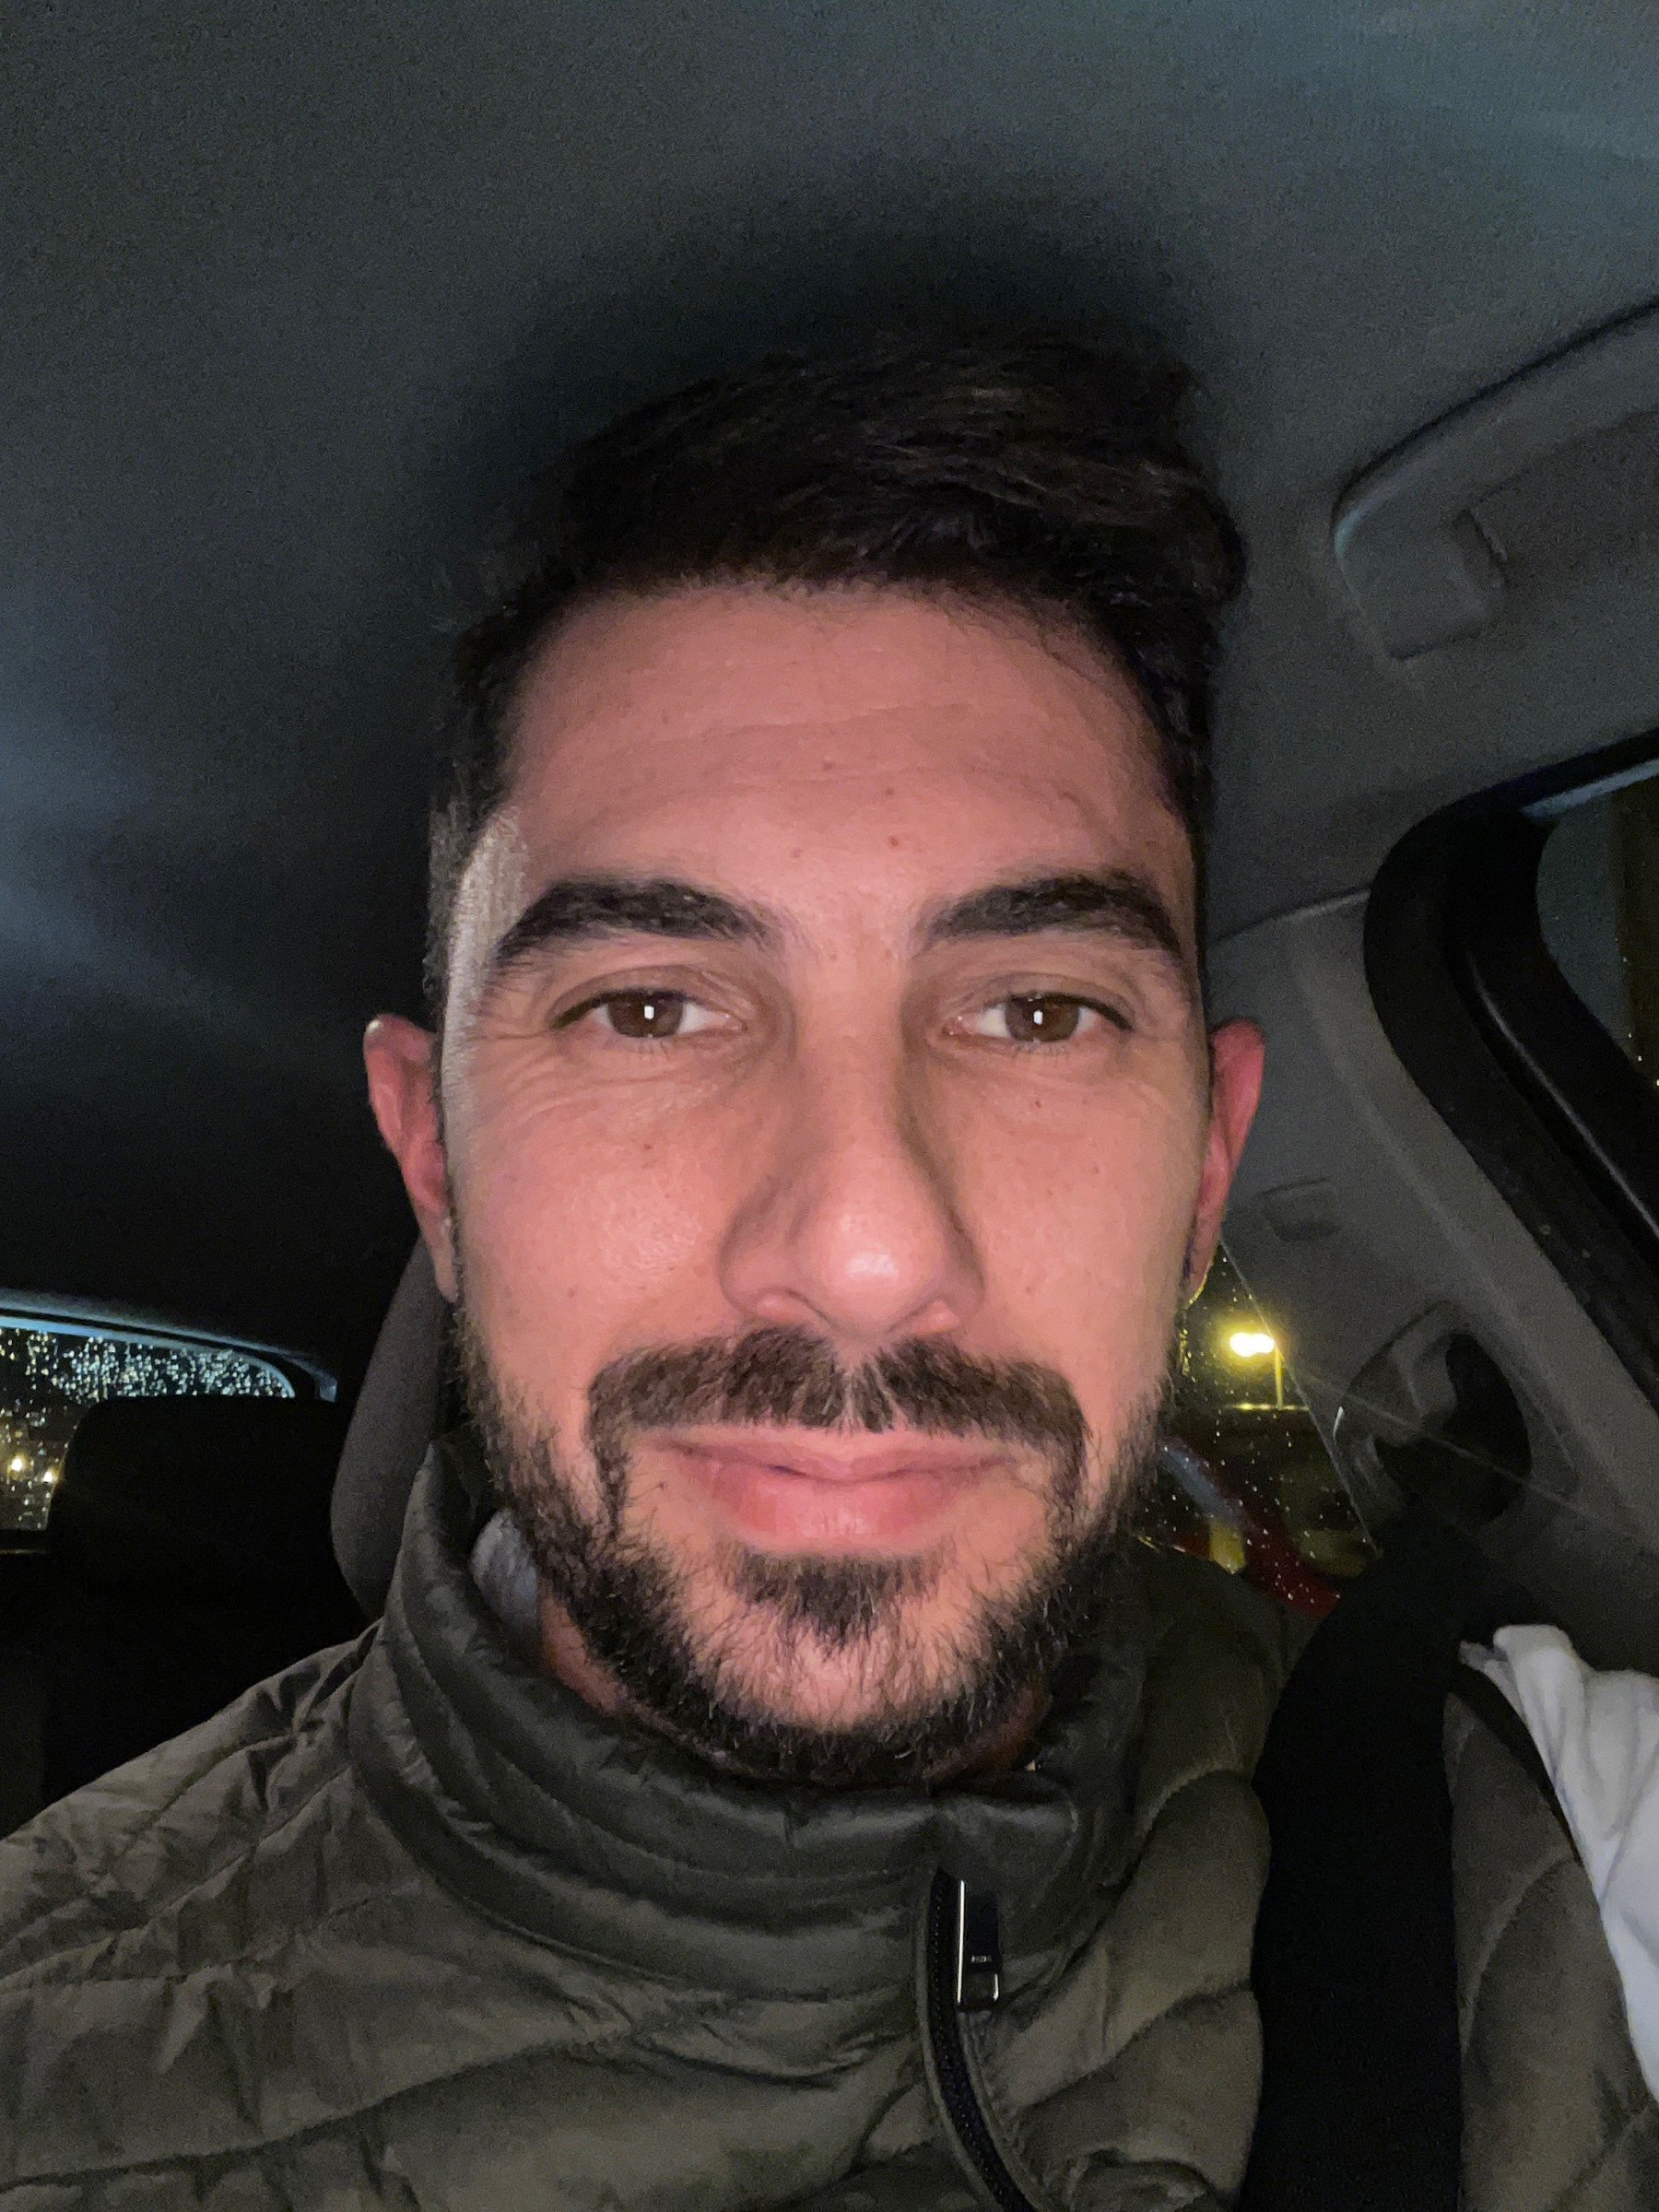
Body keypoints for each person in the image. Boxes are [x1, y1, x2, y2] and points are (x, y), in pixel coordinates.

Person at [0, 326, 1651, 2210]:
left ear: (1207, 1170)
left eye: (1036, 1013)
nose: (866, 1253)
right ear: (434, 1163)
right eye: (650, 1008)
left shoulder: (1540, 1831)